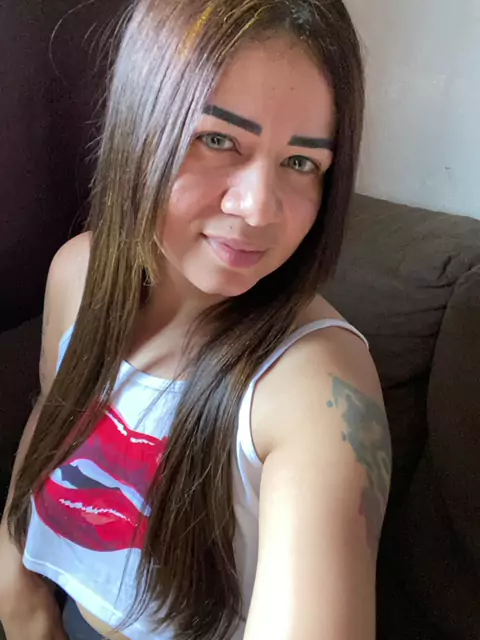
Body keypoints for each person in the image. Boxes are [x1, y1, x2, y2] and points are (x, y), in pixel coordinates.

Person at [0, 0, 392, 638]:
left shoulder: (315, 387)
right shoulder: (78, 273)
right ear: (140, 127)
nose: (257, 208)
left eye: (301, 162)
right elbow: (54, 412)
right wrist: (16, 582)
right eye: (217, 139)